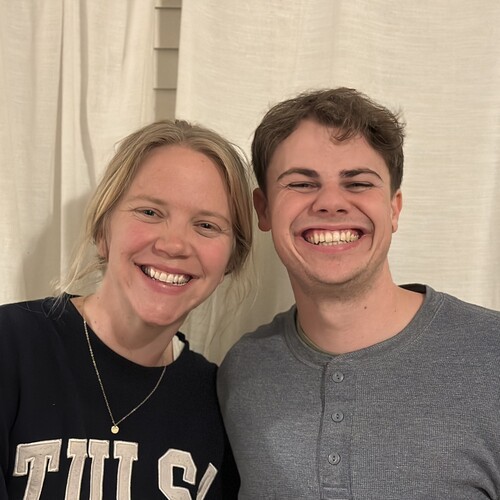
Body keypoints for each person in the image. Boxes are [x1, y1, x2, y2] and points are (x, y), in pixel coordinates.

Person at [218, 88, 500, 499]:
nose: (331, 202)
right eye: (301, 183)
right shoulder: (242, 371)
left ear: (394, 208)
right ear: (263, 209)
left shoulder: (491, 355)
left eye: (358, 183)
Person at [0, 119, 253, 499]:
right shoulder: (10, 345)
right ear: (103, 231)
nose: (174, 245)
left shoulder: (220, 402)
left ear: (230, 261)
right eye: (150, 212)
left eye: (205, 225)